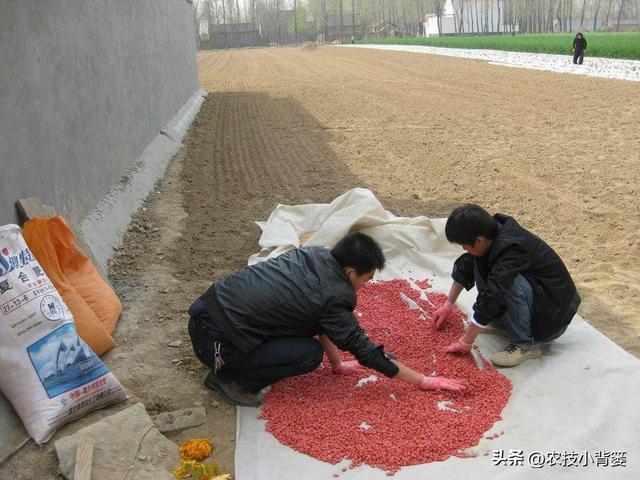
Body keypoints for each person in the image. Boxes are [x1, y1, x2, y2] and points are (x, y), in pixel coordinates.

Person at [188, 232, 465, 406]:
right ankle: (227, 378)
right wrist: (423, 381)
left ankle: (236, 361)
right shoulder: (335, 296)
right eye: (367, 279)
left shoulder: (316, 254)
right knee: (308, 355)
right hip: (214, 340)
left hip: (207, 308)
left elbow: (321, 321)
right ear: (349, 272)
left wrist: (337, 365)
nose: (366, 285)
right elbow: (366, 351)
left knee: (302, 331)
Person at [432, 204, 581, 367]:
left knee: (508, 283)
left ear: (479, 240)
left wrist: (466, 341)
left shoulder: (512, 248)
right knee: (478, 261)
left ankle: (524, 344)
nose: (463, 249)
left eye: (464, 245)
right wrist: (448, 305)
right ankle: (504, 323)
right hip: (537, 297)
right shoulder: (491, 234)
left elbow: (494, 291)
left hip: (551, 317)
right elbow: (466, 266)